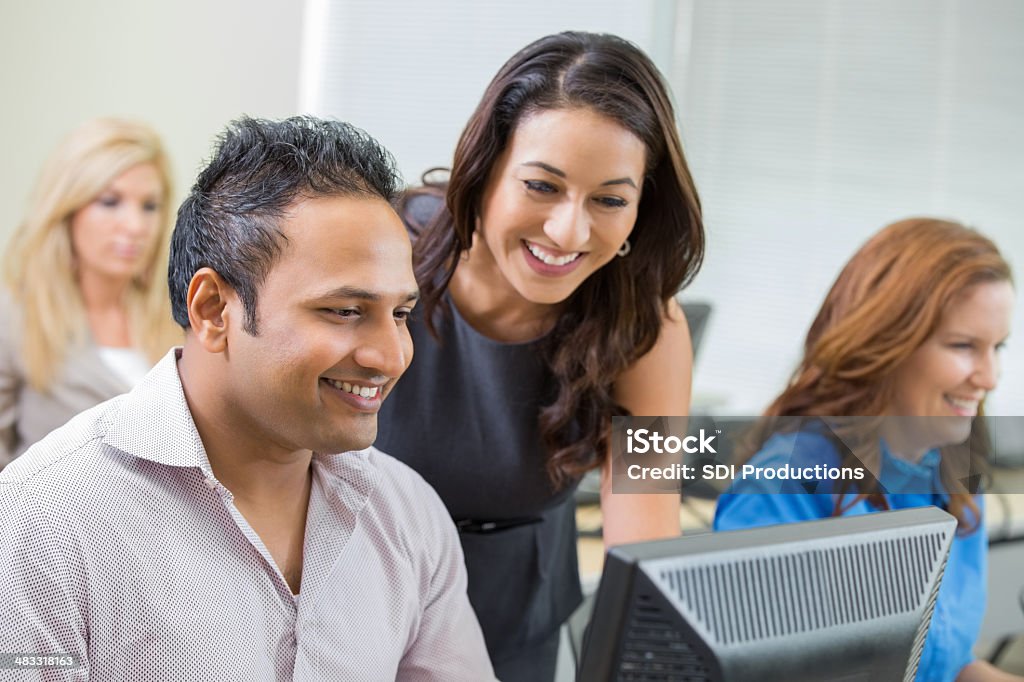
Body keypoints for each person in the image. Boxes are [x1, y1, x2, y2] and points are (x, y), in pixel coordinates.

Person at [0, 116, 496, 681]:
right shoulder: (41, 524)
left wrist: (625, 531)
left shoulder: (406, 512)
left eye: (402, 314)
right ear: (212, 310)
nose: (392, 356)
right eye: (344, 311)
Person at [376, 31, 705, 680]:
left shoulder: (646, 329)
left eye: (610, 199)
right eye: (542, 186)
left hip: (515, 629)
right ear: (487, 167)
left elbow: (644, 548)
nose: (568, 231)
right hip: (356, 600)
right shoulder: (386, 248)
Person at [714, 218, 1018, 682]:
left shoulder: (954, 475)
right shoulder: (782, 487)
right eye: (963, 346)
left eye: (997, 347)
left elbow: (946, 664)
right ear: (885, 343)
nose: (990, 377)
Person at [0, 118, 181, 468]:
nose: (135, 226)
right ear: (68, 210)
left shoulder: (180, 318)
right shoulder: (18, 317)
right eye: (110, 202)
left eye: (149, 206)